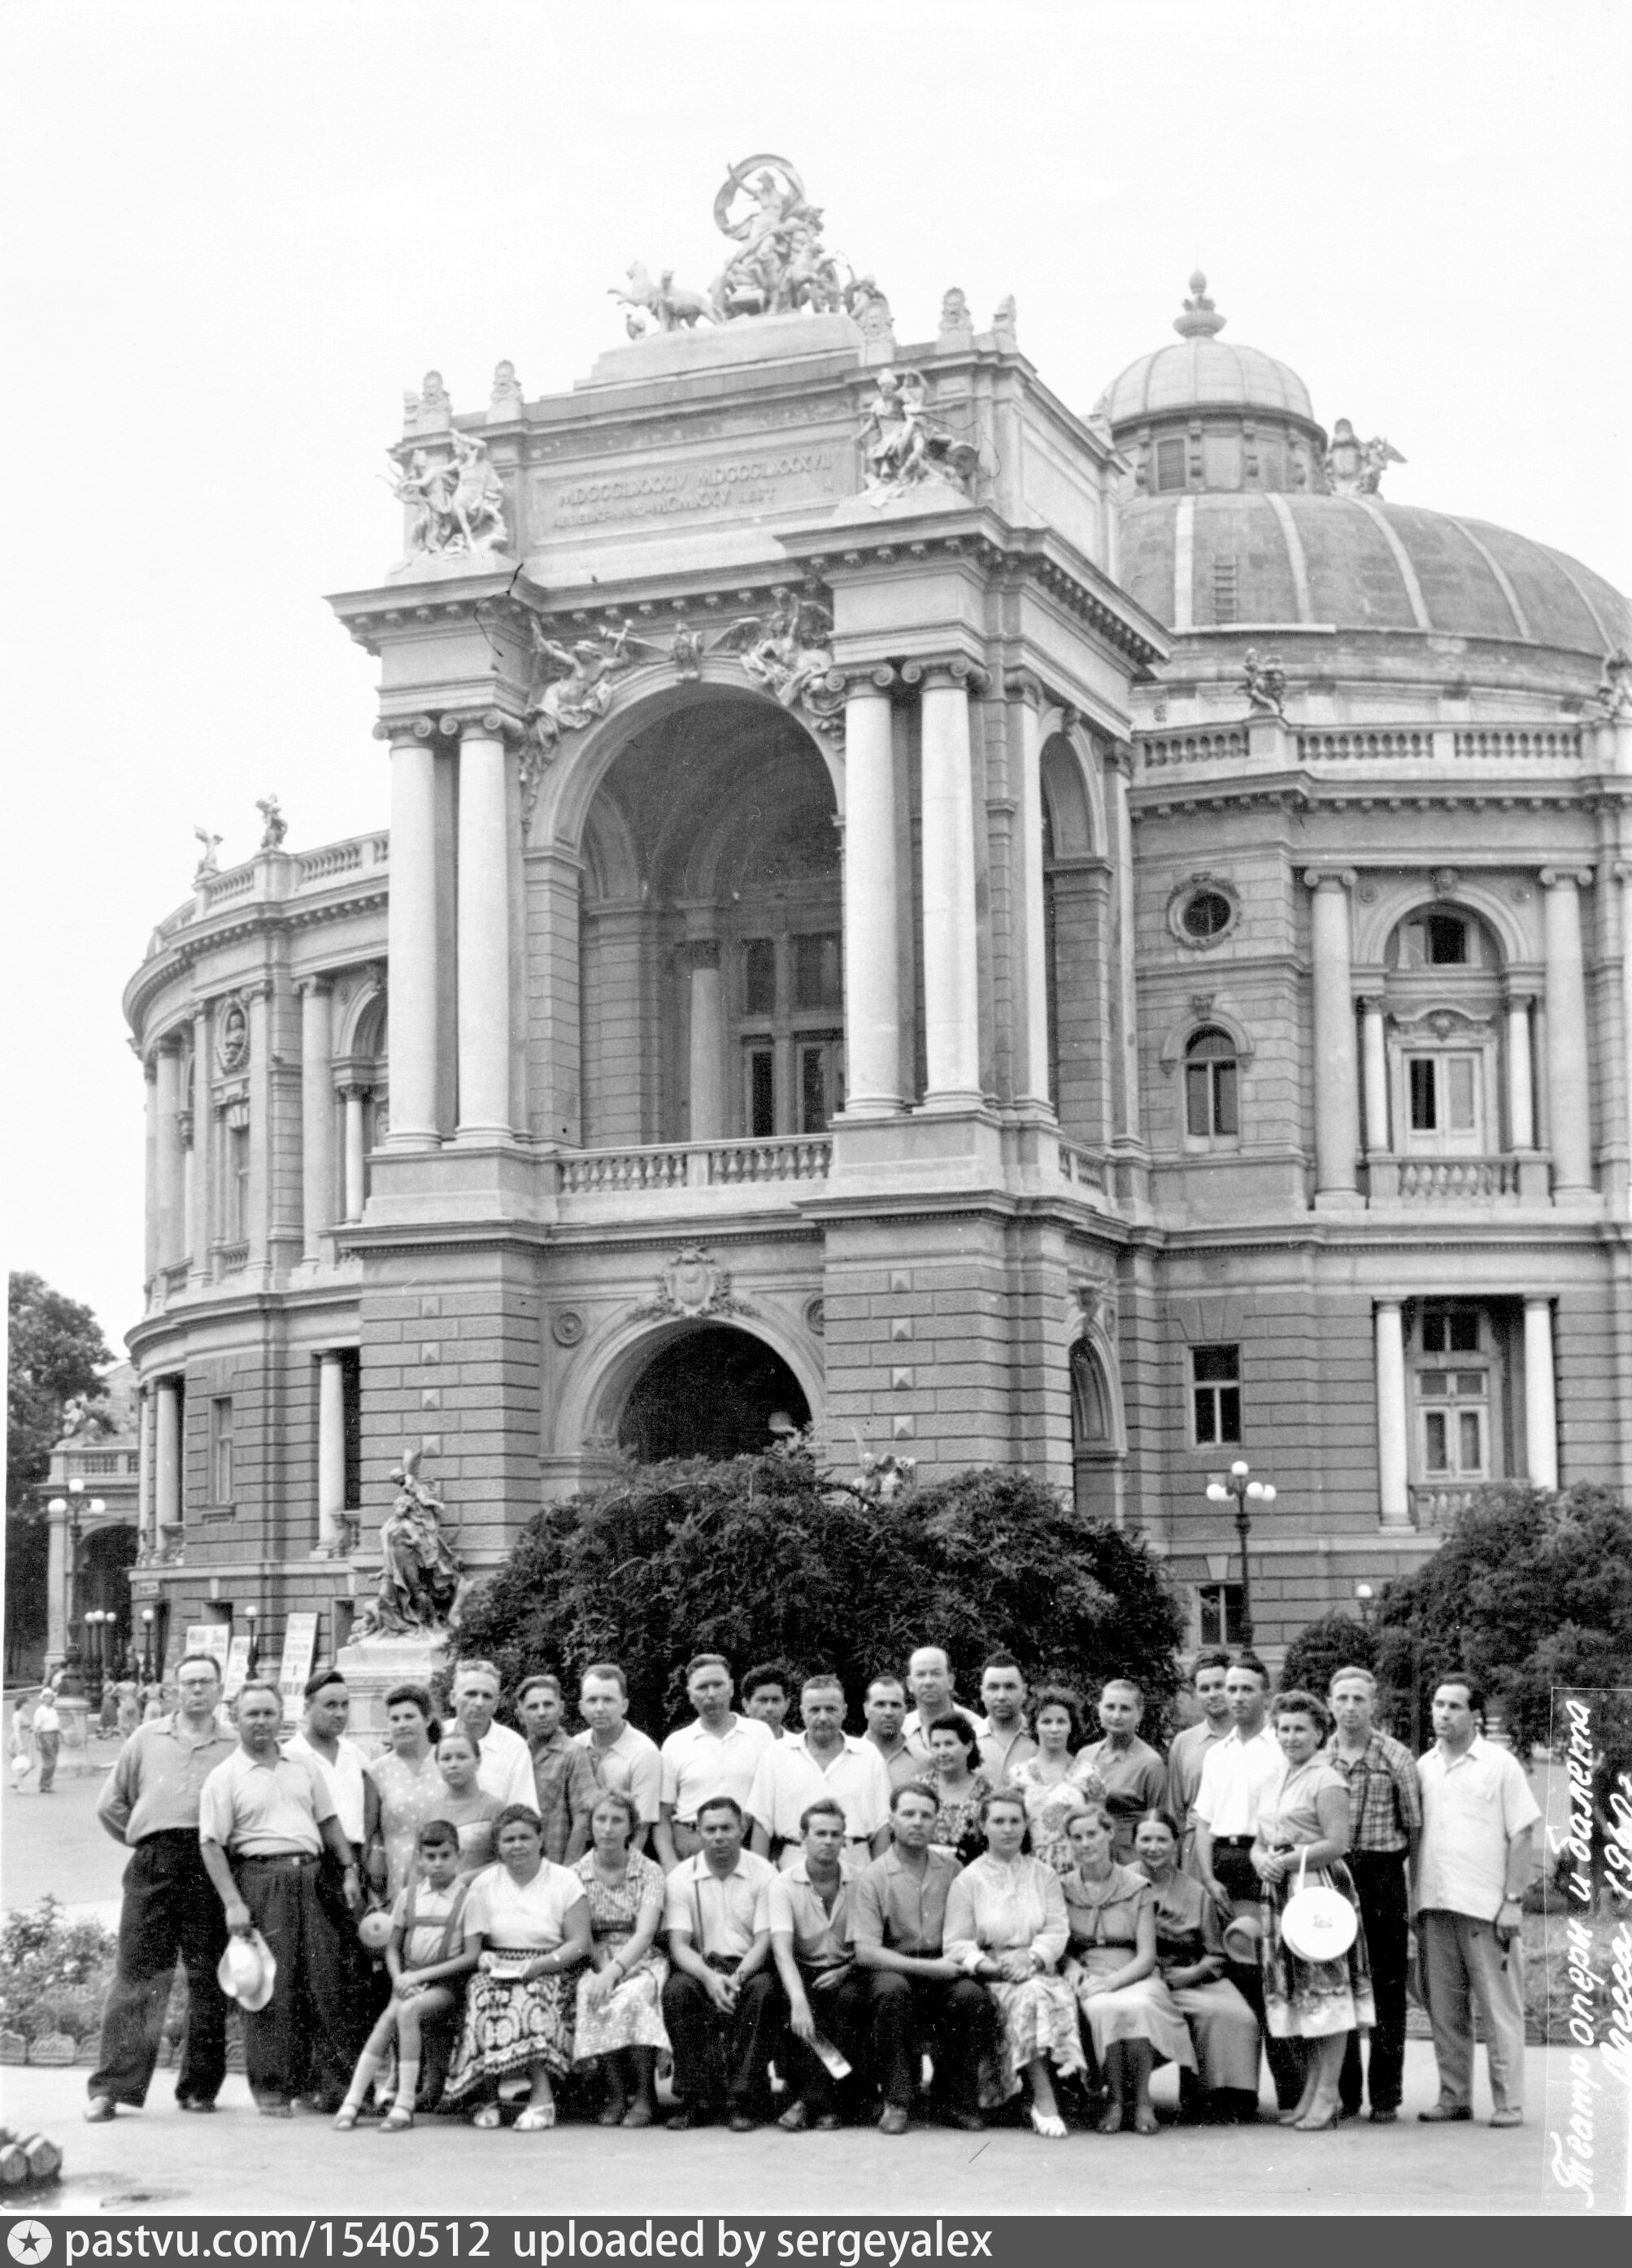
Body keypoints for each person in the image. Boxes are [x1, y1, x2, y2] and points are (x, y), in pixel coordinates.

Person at [85, 1651, 238, 2122]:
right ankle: (112, 2089)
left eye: (206, 1682)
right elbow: (111, 1805)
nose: (197, 1690)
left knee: (209, 1979)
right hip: (155, 1863)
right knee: (138, 1975)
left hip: (211, 1864)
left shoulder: (233, 1745)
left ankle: (199, 2089)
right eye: (189, 1682)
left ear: (218, 1689)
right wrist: (144, 1838)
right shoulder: (146, 1738)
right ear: (174, 1688)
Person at [198, 1679, 362, 2116]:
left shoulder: (303, 1767)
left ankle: (331, 2089)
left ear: (281, 1717)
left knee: (324, 1981)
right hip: (261, 1881)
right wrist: (233, 1902)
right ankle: (273, 2090)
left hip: (311, 1877)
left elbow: (327, 1821)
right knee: (272, 1987)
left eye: (269, 1713)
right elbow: (212, 1844)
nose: (261, 1722)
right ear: (235, 1719)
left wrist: (348, 1867)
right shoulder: (224, 1777)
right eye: (252, 1714)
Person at [1413, 1675, 1539, 2129]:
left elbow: (1522, 1833)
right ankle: (1454, 2097)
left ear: (1474, 1715)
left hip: (1487, 1909)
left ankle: (1509, 2102)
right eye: (1437, 1704)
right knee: (1444, 2011)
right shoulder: (1423, 1766)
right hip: (1435, 1903)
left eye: (1453, 1706)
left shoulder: (1499, 1765)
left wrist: (1512, 1901)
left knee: (1499, 2011)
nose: (1442, 1713)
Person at [1251, 1689, 1373, 2132]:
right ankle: (1311, 2092)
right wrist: (1258, 1857)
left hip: (1317, 1890)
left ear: (1320, 1732)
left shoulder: (1327, 1780)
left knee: (1327, 1994)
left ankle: (1328, 2094)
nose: (1290, 1736)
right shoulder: (1272, 1776)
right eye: (1283, 1728)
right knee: (1302, 1995)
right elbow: (1260, 1836)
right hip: (1280, 1892)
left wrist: (1282, 1861)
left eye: (1300, 1728)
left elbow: (1336, 1844)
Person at [850, 1783, 1002, 2135]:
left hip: (944, 1961)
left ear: (936, 1822)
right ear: (891, 1820)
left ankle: (955, 2098)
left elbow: (970, 1928)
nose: (917, 1822)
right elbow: (866, 1951)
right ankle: (898, 2100)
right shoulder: (873, 1876)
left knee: (970, 1997)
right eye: (908, 1814)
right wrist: (928, 1968)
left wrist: (944, 1965)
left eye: (926, 1815)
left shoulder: (952, 1870)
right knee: (891, 1993)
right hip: (894, 1966)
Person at [1191, 1652, 1297, 2113]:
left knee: (1268, 1978)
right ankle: (1238, 2093)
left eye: (1245, 1689)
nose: (1235, 1697)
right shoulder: (1217, 1754)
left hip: (1267, 1864)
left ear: (1265, 1696)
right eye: (1229, 1689)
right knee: (1233, 1980)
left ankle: (1292, 2091)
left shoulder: (1281, 1751)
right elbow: (1203, 1822)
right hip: (1223, 1865)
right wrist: (1208, 1877)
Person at [945, 1788, 1085, 2137]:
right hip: (993, 1975)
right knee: (1029, 1995)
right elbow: (957, 1943)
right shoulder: (968, 1880)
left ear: (1026, 1825)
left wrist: (1032, 1959)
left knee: (1036, 1990)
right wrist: (993, 1967)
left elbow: (1056, 1929)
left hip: (1038, 1967)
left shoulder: (1044, 1875)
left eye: (1015, 1821)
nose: (1008, 1829)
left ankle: (1046, 2093)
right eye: (999, 1821)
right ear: (983, 1826)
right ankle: (1044, 2099)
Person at [444, 1803, 592, 2130]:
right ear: (497, 1846)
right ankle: (487, 2094)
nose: (517, 1846)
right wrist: (483, 1956)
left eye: (525, 1837)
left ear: (541, 1839)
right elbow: (476, 1939)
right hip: (498, 1963)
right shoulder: (484, 1883)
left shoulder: (565, 1880)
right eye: (508, 1840)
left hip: (552, 1965)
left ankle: (542, 2098)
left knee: (531, 1997)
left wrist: (539, 1965)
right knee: (482, 1992)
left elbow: (580, 1943)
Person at [334, 1819, 477, 2131]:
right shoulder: (408, 1897)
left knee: (408, 2011)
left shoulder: (468, 1898)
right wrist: (400, 1977)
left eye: (445, 1856)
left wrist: (419, 1978)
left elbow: (471, 1955)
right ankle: (353, 2100)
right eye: (430, 1857)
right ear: (419, 1859)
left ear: (459, 1857)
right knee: (387, 2019)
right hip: (409, 1981)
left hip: (445, 1986)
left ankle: (404, 2103)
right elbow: (392, 1948)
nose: (437, 1864)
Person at [1326, 1665, 1421, 2124]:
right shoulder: (1319, 1757)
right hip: (1332, 1877)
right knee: (1338, 1982)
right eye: (1341, 1698)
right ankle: (1345, 2094)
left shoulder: (1396, 1757)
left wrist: (1412, 1885)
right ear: (1330, 1703)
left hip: (1382, 1874)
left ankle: (1385, 2095)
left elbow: (1415, 1826)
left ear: (1373, 1704)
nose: (1349, 1708)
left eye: (1358, 1699)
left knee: (1386, 1986)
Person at [1062, 1804, 1194, 2135]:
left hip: (1134, 1972)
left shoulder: (1136, 1886)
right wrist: (1072, 1966)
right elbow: (1059, 1946)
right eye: (1077, 1837)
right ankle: (1117, 2100)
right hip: (1090, 1972)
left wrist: (1113, 1981)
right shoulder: (1062, 1887)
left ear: (1109, 1834)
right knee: (1103, 2009)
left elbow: (1147, 1956)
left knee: (1137, 2005)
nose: (1086, 1843)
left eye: (1092, 1834)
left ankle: (1143, 2098)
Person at [659, 1796, 780, 2130]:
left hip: (749, 1966)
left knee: (764, 1991)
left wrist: (738, 1977)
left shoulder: (764, 1873)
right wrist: (711, 1979)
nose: (718, 1836)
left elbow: (765, 1940)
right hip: (704, 1967)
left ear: (742, 1829)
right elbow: (679, 1945)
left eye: (727, 1827)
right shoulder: (682, 1878)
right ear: (698, 1832)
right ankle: (695, 2097)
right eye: (710, 1829)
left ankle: (744, 2099)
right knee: (678, 1990)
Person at [1134, 1809, 1260, 2124]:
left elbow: (1216, 1952)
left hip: (1190, 1976)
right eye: (1145, 1839)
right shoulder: (1123, 1882)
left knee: (1237, 2015)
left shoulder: (1195, 1892)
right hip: (1140, 1977)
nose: (1153, 1847)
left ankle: (1222, 2097)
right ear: (1134, 1842)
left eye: (1161, 1839)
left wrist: (1193, 1973)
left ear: (1176, 1844)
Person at [284, 1669, 375, 2073]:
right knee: (320, 1974)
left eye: (344, 1705)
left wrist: (368, 1854)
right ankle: (323, 2079)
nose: (339, 1714)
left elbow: (372, 1803)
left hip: (354, 1865)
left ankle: (355, 2075)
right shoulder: (291, 1755)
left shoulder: (355, 1754)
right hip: (316, 1865)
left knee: (355, 1970)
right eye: (330, 1705)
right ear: (308, 1708)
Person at [767, 1799, 871, 2130]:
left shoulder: (861, 1881)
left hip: (848, 1968)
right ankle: (826, 2104)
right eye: (820, 1833)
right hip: (802, 1968)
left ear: (845, 1840)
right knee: (797, 2008)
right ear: (802, 1838)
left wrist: (845, 1972)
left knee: (848, 2001)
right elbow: (782, 1950)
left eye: (835, 1834)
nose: (828, 1841)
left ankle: (811, 2101)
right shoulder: (783, 1884)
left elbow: (870, 1944)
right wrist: (798, 2001)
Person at [572, 1788, 670, 2128]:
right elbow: (581, 1934)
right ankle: (615, 2092)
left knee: (633, 1996)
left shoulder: (649, 1871)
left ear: (631, 1827)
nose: (608, 1828)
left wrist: (615, 1971)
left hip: (640, 1957)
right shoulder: (576, 1873)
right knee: (594, 1995)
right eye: (601, 1819)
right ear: (591, 1825)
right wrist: (602, 1972)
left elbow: (645, 1933)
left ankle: (645, 2095)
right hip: (596, 1956)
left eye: (617, 1820)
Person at [746, 1674, 890, 1869]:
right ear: (802, 1712)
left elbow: (883, 1826)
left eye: (831, 1709)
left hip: (855, 1863)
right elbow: (762, 1825)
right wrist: (760, 1878)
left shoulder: (868, 1754)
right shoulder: (776, 1755)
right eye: (815, 1710)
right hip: (794, 1862)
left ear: (844, 1711)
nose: (822, 1717)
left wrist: (878, 1879)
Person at [656, 1655, 774, 1870]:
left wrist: (760, 1863)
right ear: (690, 1695)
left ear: (731, 1688)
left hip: (746, 1845)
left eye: (718, 1685)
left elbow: (769, 1804)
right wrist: (669, 1863)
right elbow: (662, 1816)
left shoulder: (760, 1734)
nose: (711, 1694)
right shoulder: (676, 1744)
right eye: (702, 1687)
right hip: (691, 1846)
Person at [1009, 1687, 1107, 1875]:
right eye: (1046, 1721)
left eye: (1061, 1721)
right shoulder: (1018, 1777)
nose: (1054, 1729)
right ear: (1035, 1726)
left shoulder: (1088, 1775)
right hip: (1029, 1872)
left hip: (1077, 1873)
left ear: (1071, 1726)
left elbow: (1099, 1834)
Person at [365, 1684, 446, 1900]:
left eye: (409, 1717)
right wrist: (376, 1852)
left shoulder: (447, 1759)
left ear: (428, 1719)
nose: (401, 1725)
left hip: (443, 1865)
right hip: (396, 1869)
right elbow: (371, 1828)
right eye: (395, 1719)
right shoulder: (378, 1770)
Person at [572, 1662, 661, 1856]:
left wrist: (623, 1873)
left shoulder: (644, 1753)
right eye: (592, 1700)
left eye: (608, 1700)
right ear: (581, 1707)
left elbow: (641, 1829)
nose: (600, 1708)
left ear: (624, 1705)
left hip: (623, 1854)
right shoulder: (574, 1747)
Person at [1079, 1679, 1168, 1862]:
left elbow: (1160, 1824)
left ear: (1139, 1714)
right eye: (1110, 1707)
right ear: (1099, 1709)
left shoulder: (1150, 1764)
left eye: (1125, 1708)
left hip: (1130, 1858)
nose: (1116, 1715)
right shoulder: (1085, 1756)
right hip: (1088, 1853)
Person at [518, 1674, 599, 1864]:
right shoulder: (518, 1755)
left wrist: (567, 1872)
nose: (541, 1713)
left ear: (561, 1709)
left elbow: (584, 1818)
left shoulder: (573, 1753)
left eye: (548, 1705)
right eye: (532, 1707)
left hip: (558, 1864)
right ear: (520, 1715)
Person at [1165, 1651, 1234, 1865]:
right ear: (1195, 1694)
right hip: (1196, 1849)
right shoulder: (1184, 1743)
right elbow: (1175, 1811)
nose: (1212, 1694)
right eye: (1204, 1688)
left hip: (1245, 1848)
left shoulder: (1255, 1738)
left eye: (1219, 1685)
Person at [912, 1713, 998, 1865]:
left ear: (968, 1746)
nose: (942, 1752)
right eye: (936, 1745)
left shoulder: (988, 1791)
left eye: (949, 1744)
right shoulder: (919, 1788)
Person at [449, 1660, 535, 1809]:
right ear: (453, 1698)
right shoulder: (434, 1739)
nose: (479, 1703)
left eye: (487, 1696)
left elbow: (523, 1811)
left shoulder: (514, 1747)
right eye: (471, 1694)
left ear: (495, 1704)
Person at [431, 1729, 504, 1874]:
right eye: (446, 1758)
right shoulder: (430, 1813)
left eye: (462, 1757)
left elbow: (506, 1861)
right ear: (437, 1764)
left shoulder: (495, 1809)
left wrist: (466, 1879)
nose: (453, 1764)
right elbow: (420, 1867)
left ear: (478, 1762)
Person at [901, 1647, 986, 1759]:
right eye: (921, 1674)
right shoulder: (900, 1731)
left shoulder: (977, 1728)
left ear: (950, 1681)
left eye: (936, 1674)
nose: (928, 1682)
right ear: (910, 1684)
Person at [976, 1656, 1038, 1783]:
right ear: (982, 1693)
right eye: (993, 1687)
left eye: (1009, 1687)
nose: (1001, 1696)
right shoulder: (967, 1741)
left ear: (1024, 1691)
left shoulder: (1040, 1739)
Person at [860, 1674, 921, 1792]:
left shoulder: (923, 1760)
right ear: (866, 1710)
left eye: (895, 1705)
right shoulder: (848, 1759)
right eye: (880, 1704)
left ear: (905, 1711)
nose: (888, 1712)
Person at [742, 1663, 796, 1739]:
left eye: (776, 1700)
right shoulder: (729, 1746)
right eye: (762, 1700)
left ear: (787, 1705)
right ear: (746, 1705)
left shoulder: (800, 1748)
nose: (769, 1708)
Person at [32, 1687, 61, 1793]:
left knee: (52, 1760)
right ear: (43, 1698)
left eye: (51, 1697)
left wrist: (61, 1735)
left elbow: (57, 1724)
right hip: (45, 1735)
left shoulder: (53, 1710)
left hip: (54, 1734)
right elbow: (37, 1728)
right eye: (48, 1697)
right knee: (50, 1760)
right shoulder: (40, 1711)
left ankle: (47, 1783)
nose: (51, 1699)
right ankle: (44, 1783)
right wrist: (37, 1741)